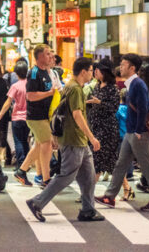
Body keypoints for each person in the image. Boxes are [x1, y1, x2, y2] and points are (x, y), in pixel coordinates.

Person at [26, 57, 105, 223]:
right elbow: (76, 115)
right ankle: (37, 203)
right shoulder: (75, 89)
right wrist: (92, 137)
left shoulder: (70, 86)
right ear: (83, 72)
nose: (92, 73)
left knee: (89, 177)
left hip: (78, 141)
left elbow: (59, 112)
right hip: (73, 139)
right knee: (66, 176)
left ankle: (88, 210)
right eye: (91, 70)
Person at [96, 53, 149, 211]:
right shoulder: (132, 84)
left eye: (124, 64)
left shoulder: (138, 84)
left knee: (147, 166)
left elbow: (143, 108)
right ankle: (110, 196)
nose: (121, 66)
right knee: (121, 164)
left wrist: (140, 130)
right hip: (131, 131)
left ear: (132, 68)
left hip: (138, 132)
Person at [15, 45, 59, 188]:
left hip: (45, 116)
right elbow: (30, 96)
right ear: (39, 57)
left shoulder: (46, 72)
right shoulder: (34, 73)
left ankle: (21, 171)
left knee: (40, 145)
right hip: (36, 116)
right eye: (47, 54)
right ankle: (45, 179)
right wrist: (49, 94)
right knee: (46, 144)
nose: (50, 57)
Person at [86, 58, 121, 181]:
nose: (95, 72)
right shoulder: (97, 85)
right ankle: (127, 188)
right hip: (96, 127)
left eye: (98, 70)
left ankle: (88, 193)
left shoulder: (113, 89)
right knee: (110, 161)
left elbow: (114, 108)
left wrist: (99, 102)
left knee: (97, 161)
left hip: (107, 129)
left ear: (105, 72)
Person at [0, 61, 29, 168]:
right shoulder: (30, 85)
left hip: (17, 117)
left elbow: (8, 102)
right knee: (25, 141)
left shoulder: (15, 86)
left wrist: (0, 115)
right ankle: (26, 163)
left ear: (17, 73)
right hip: (28, 117)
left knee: (18, 141)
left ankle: (20, 163)